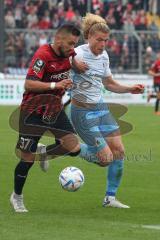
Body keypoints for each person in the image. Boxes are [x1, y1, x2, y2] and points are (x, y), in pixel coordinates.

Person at [10, 24, 93, 213]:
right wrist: (56, 85)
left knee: (73, 147)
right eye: (71, 43)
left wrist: (77, 66)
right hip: (32, 111)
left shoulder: (68, 53)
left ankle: (45, 152)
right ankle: (17, 197)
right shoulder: (43, 55)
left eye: (75, 44)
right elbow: (28, 84)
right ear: (58, 40)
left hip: (54, 109)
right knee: (27, 159)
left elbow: (71, 60)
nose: (73, 48)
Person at [70, 13, 144, 208]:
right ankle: (68, 147)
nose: (102, 44)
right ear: (88, 37)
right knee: (105, 159)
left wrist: (129, 88)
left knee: (119, 151)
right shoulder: (76, 54)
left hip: (101, 108)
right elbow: (59, 57)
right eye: (99, 40)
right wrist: (72, 64)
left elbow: (109, 83)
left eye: (106, 40)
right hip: (82, 113)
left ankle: (110, 198)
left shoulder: (104, 56)